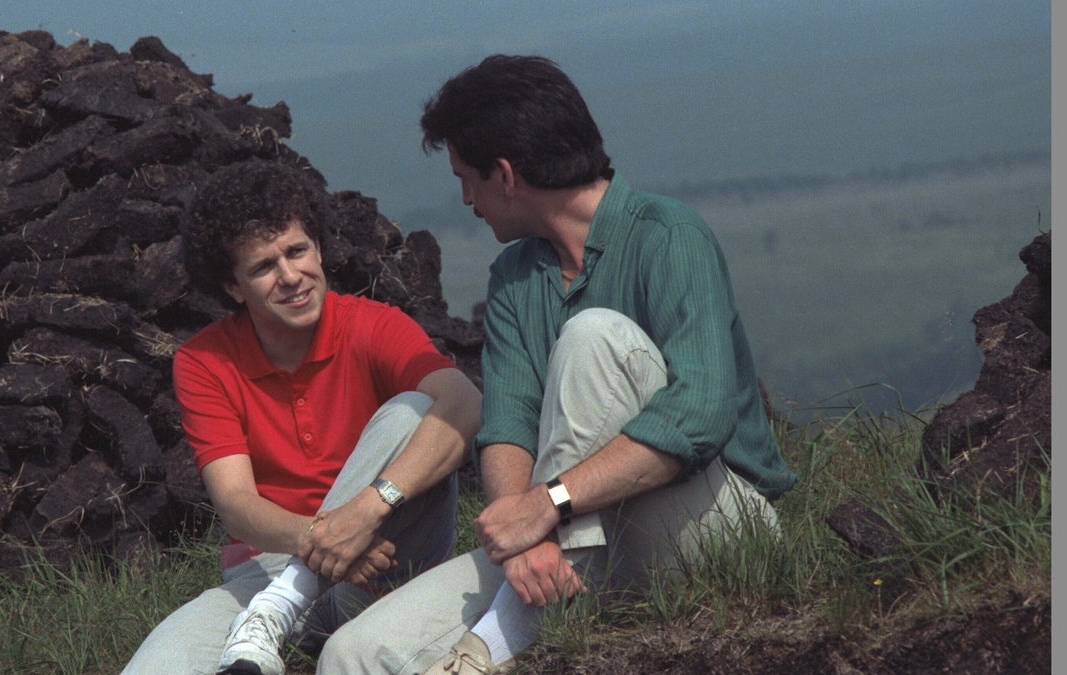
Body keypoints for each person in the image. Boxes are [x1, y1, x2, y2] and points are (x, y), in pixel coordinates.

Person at [318, 55, 799, 675]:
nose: (466, 200)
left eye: (468, 178)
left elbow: (702, 411)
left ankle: (495, 642)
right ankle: (525, 606)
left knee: (591, 336)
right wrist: (523, 536)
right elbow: (507, 424)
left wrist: (546, 507)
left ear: (507, 174)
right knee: (353, 654)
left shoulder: (669, 235)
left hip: (707, 533)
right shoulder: (515, 276)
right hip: (573, 542)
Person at [122, 159, 482, 675]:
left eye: (298, 251)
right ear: (232, 286)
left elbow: (465, 403)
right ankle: (281, 605)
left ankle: (279, 612)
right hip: (267, 570)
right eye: (264, 267)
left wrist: (365, 514)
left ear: (318, 247)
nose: (291, 277)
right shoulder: (204, 361)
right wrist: (333, 540)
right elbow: (238, 507)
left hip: (384, 564)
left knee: (415, 410)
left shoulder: (373, 326)